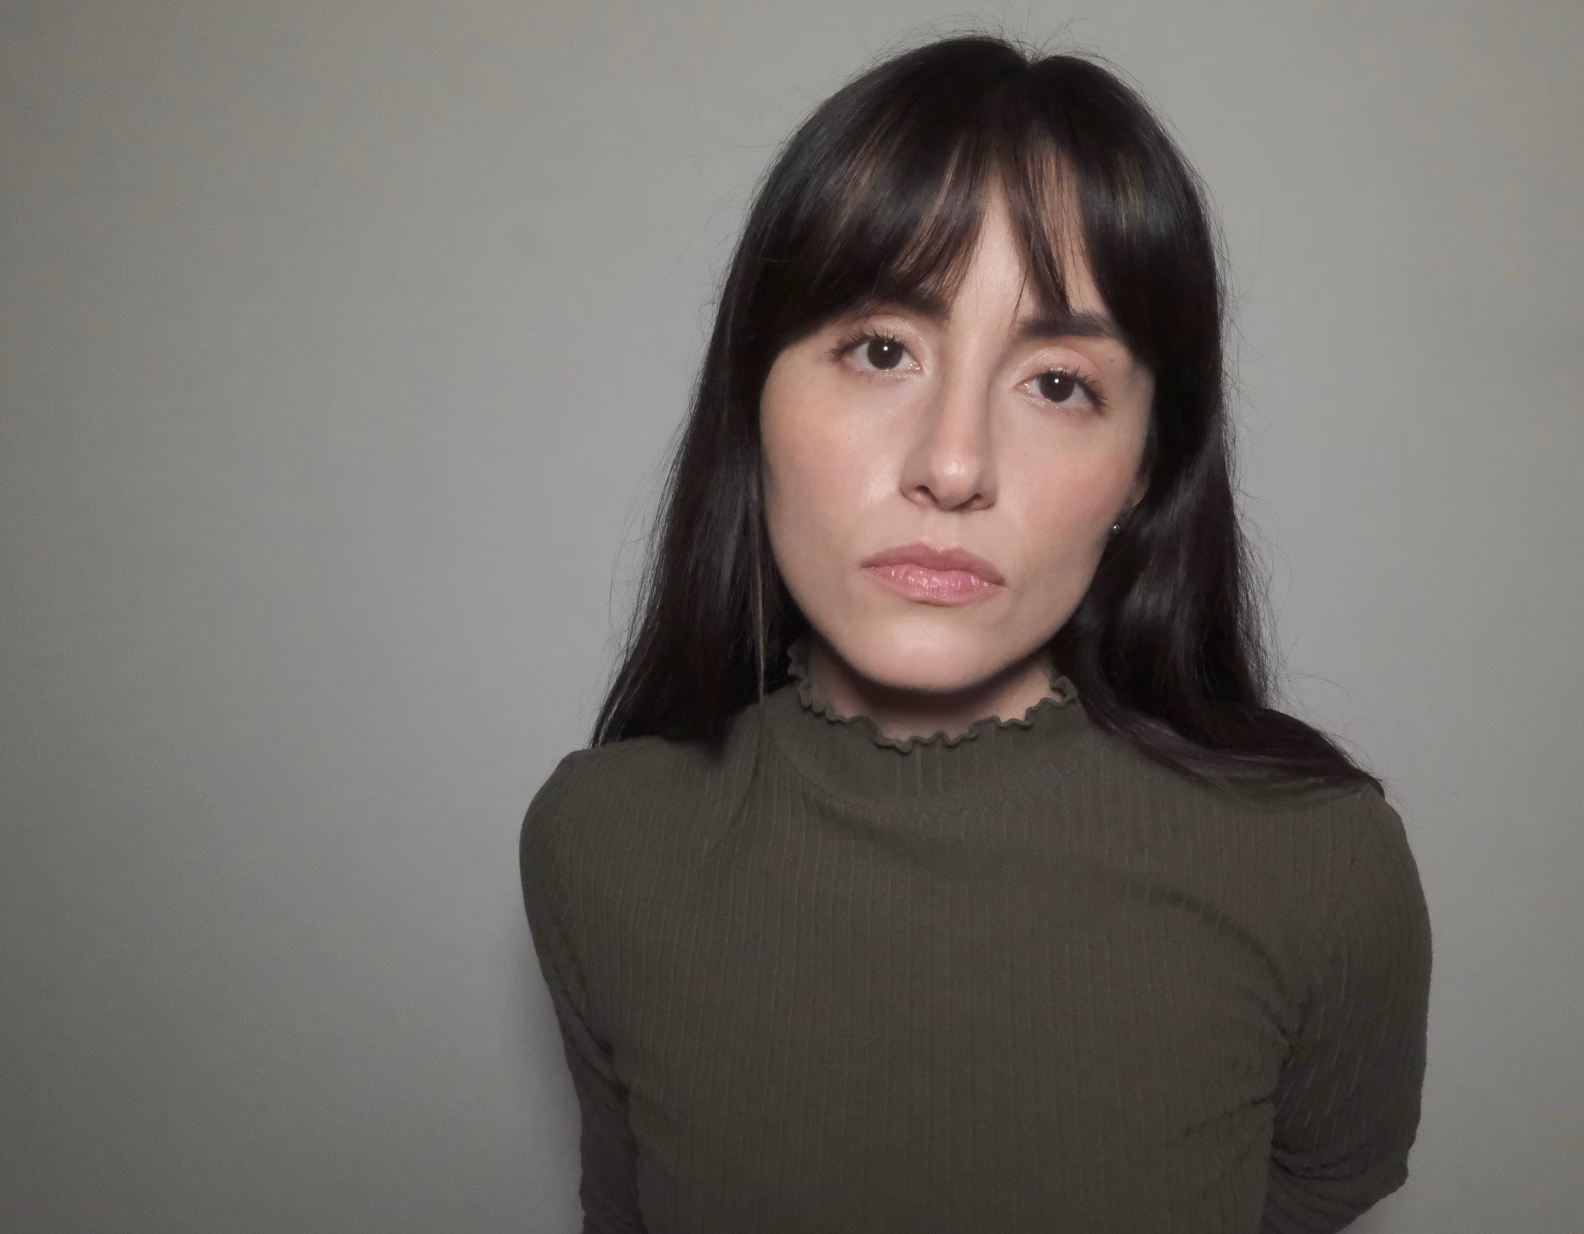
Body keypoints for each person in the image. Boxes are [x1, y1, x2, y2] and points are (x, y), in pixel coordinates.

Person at [520, 33, 1431, 1234]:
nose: (953, 466)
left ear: (1145, 472)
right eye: (881, 350)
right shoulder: (599, 842)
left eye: (1057, 382)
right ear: (753, 394)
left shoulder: (1321, 866)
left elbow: (1324, 1181)